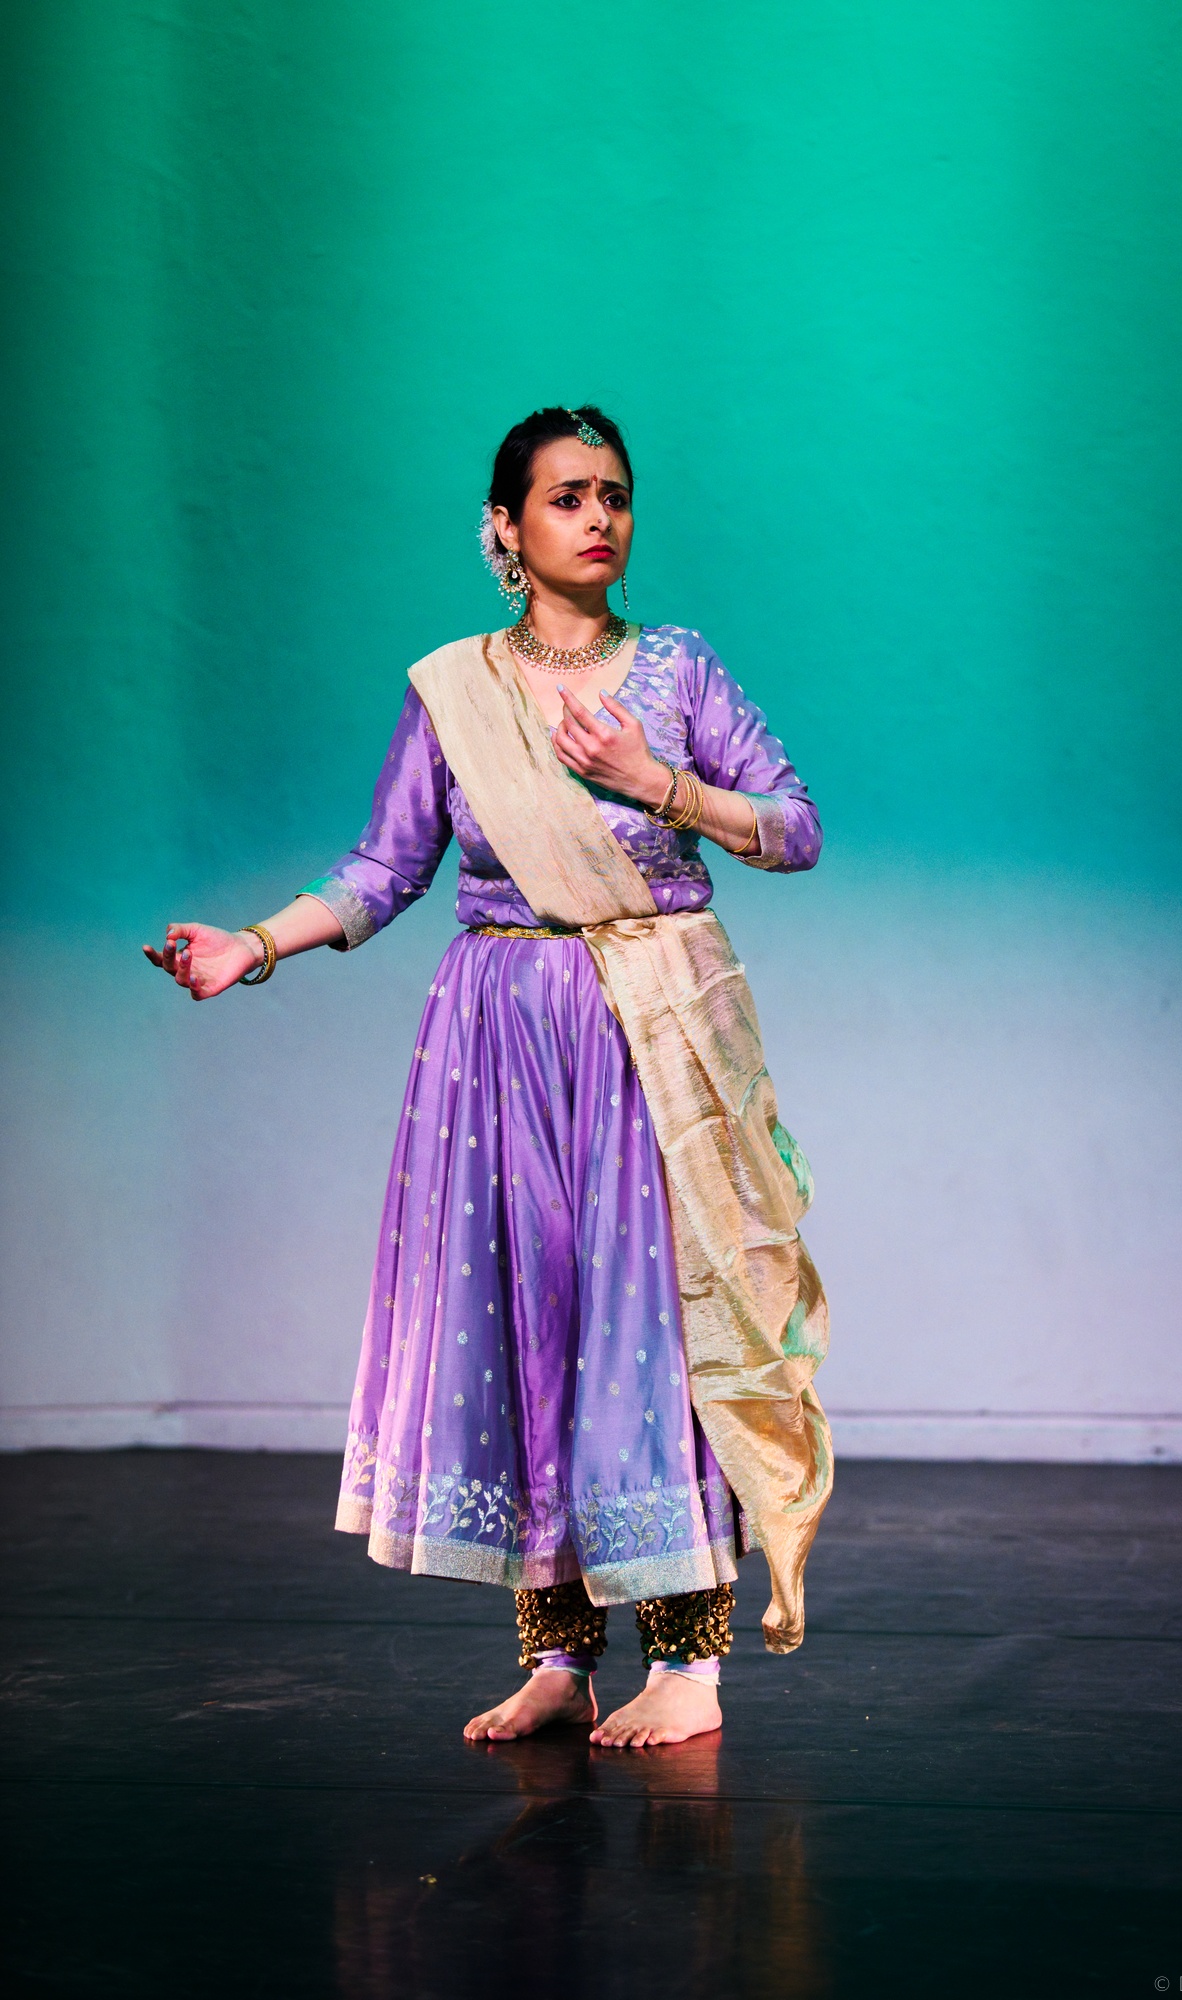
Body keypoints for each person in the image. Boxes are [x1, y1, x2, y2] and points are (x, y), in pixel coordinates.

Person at [145, 405, 832, 1749]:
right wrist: (253, 946)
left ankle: (688, 1663)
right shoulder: (453, 687)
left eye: (614, 494)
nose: (599, 517)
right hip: (498, 1031)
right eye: (567, 497)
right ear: (505, 527)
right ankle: (559, 1655)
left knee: (656, 1324)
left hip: (646, 1029)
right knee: (526, 1322)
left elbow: (795, 830)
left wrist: (658, 782)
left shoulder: (679, 670)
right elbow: (384, 866)